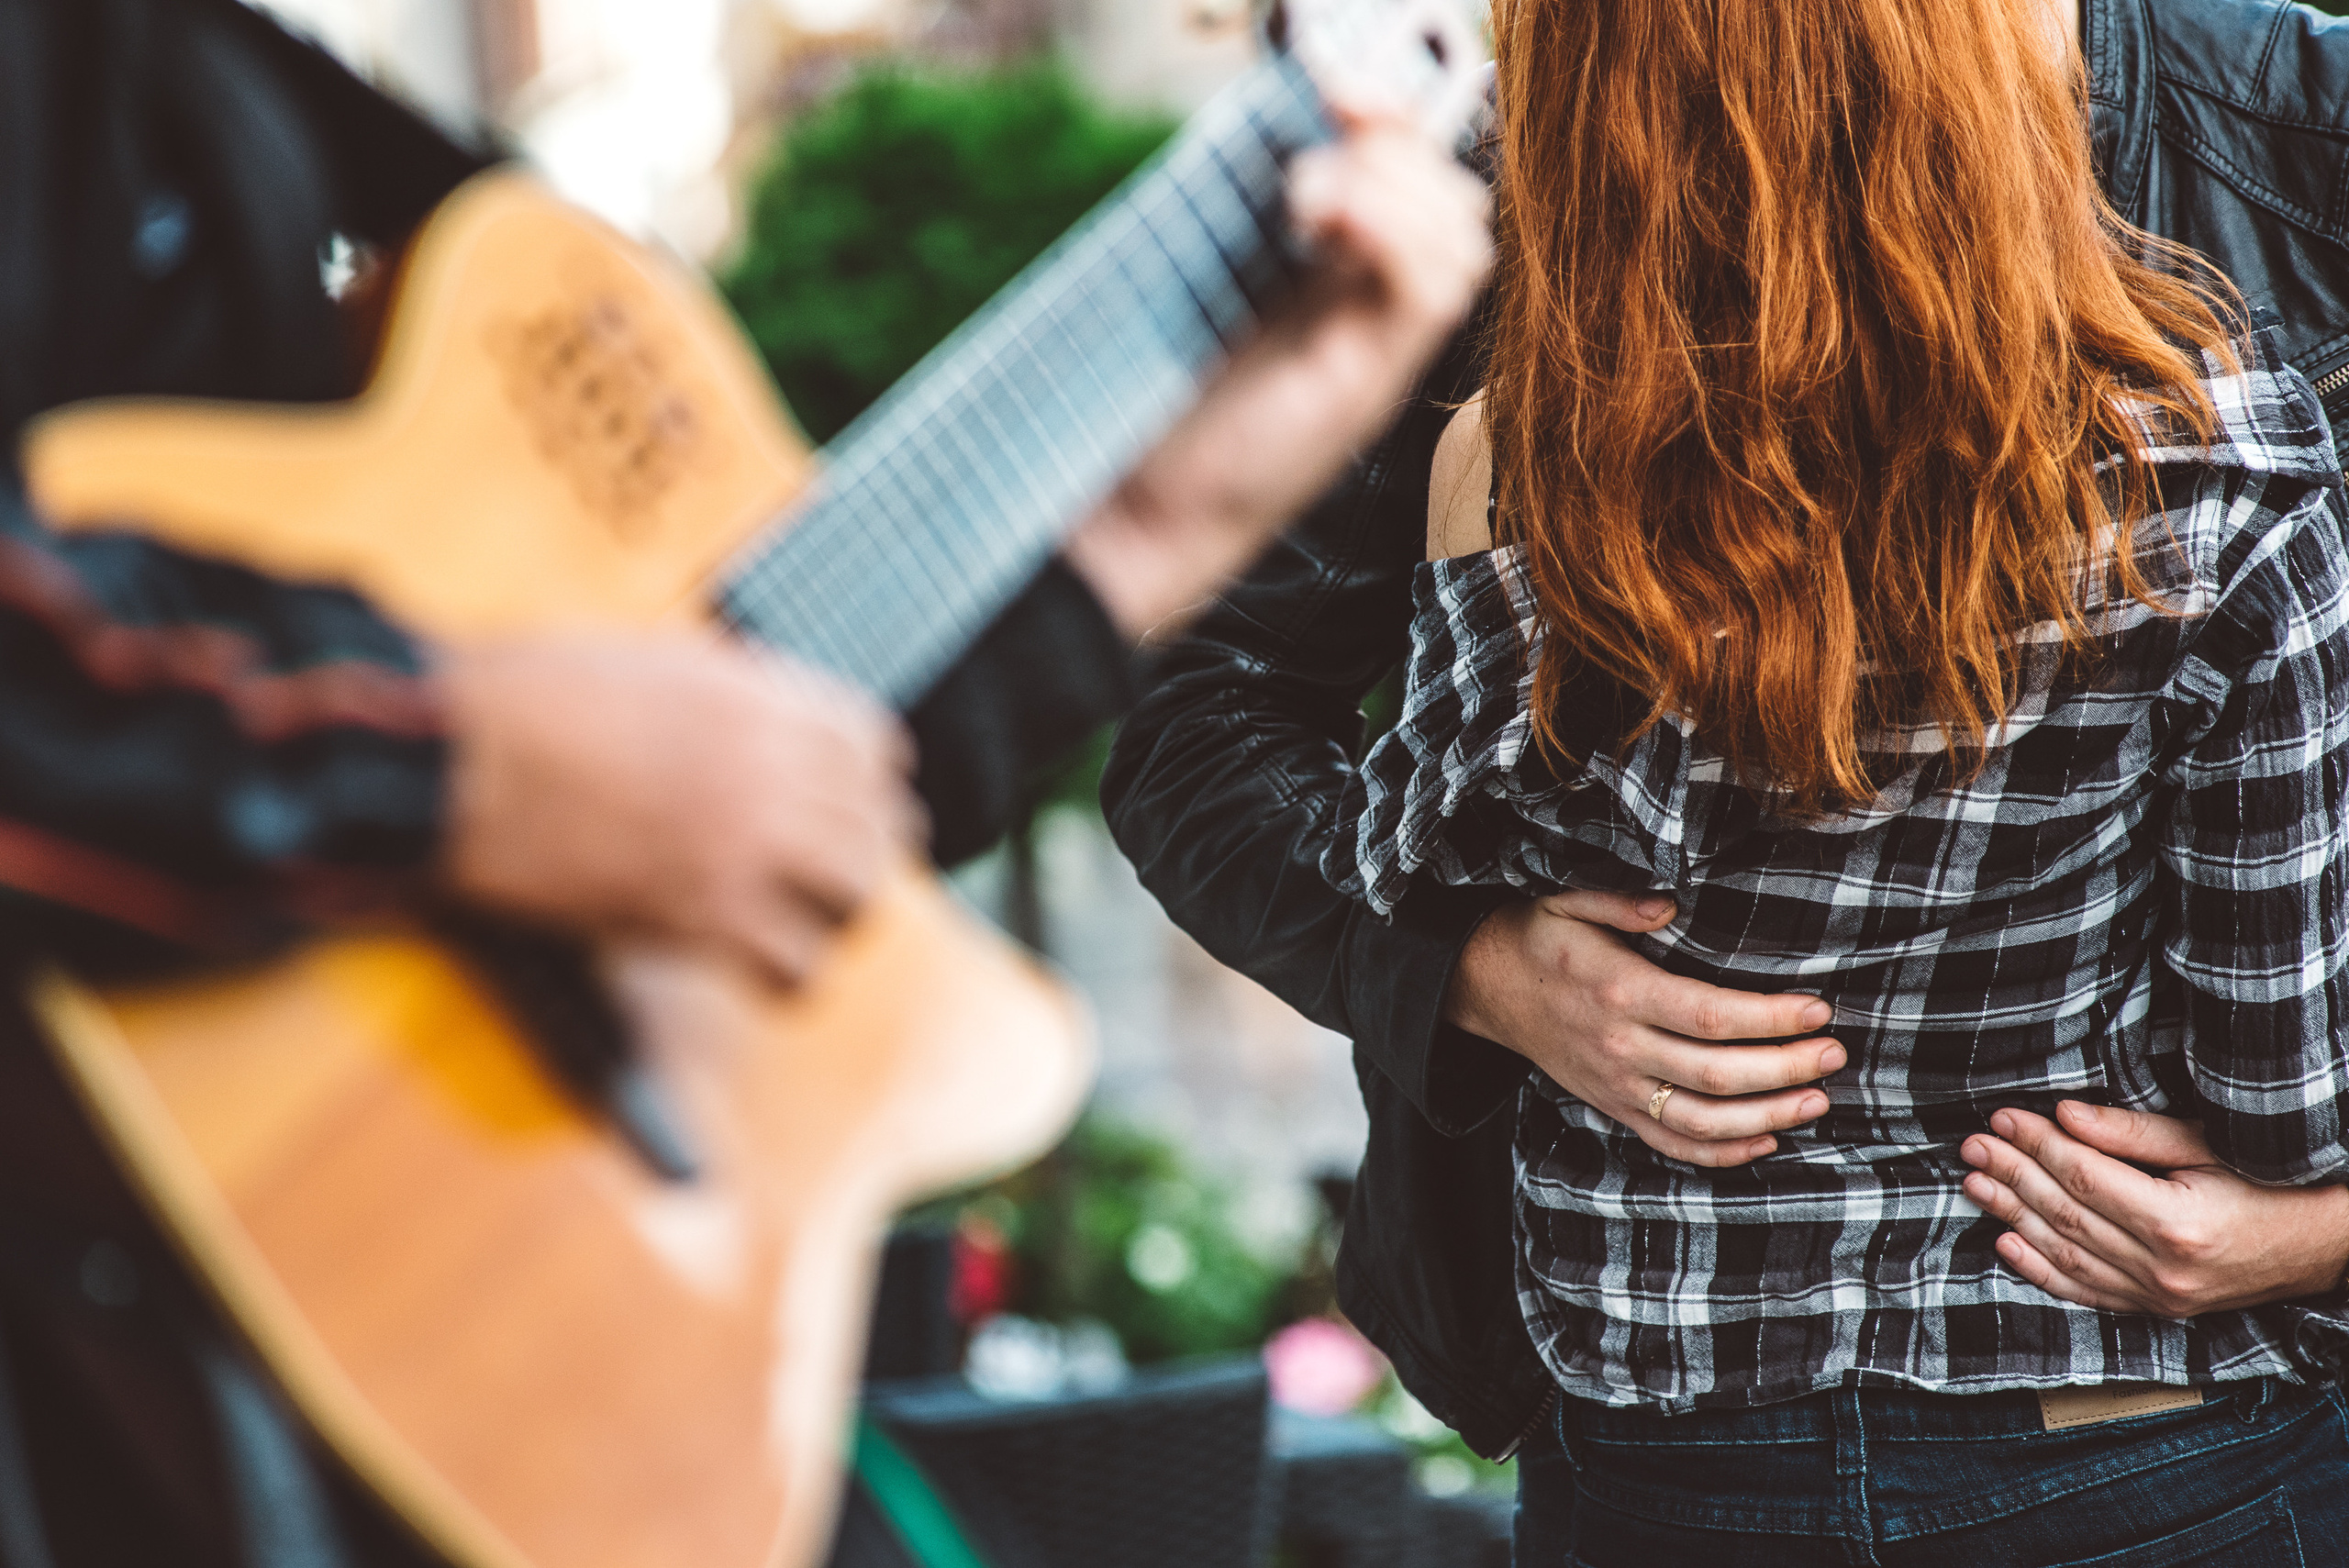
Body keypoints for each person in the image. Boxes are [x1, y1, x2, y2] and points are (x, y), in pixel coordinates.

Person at [0, 0, 1492, 1562]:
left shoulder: (241, 102)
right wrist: (459, 767)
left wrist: (1154, 536)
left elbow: (767, 766)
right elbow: (546, 765)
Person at [1102, 0, 2349, 1490]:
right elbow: (1203, 725)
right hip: (1742, 1425)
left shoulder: (2306, 137)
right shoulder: (1529, 160)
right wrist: (1471, 973)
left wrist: (2319, 1236)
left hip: (2063, 1402)